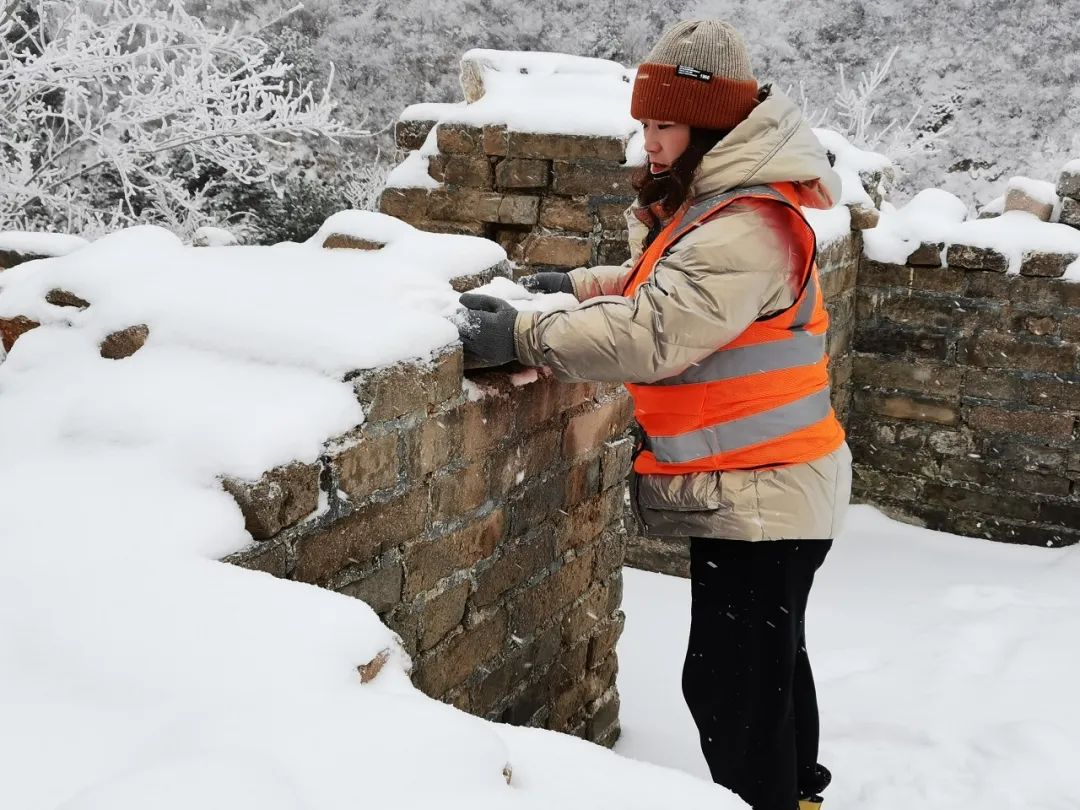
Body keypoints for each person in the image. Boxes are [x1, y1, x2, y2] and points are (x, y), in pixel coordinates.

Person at [457, 19, 852, 810]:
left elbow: (656, 334)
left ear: (711, 122)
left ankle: (770, 801)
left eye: (665, 123)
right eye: (644, 123)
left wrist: (522, 331)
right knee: (769, 666)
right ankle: (798, 794)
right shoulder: (725, 206)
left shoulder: (744, 225)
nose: (651, 141)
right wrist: (571, 291)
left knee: (731, 687)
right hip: (773, 486)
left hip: (764, 493)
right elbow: (658, 282)